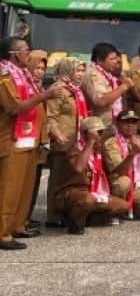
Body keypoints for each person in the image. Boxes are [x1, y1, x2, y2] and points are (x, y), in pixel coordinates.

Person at [0, 37, 62, 249]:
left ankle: (17, 225)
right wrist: (45, 95)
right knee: (9, 188)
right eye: (26, 51)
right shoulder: (5, 76)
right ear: (14, 55)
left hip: (29, 138)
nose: (30, 54)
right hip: (11, 140)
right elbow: (15, 108)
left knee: (24, 188)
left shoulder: (24, 75)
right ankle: (2, 233)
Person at [55, 117, 129, 235]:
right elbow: (79, 168)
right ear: (85, 134)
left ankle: (87, 219)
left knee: (123, 206)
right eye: (98, 133)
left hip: (95, 192)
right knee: (87, 200)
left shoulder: (98, 150)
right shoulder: (75, 150)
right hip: (73, 192)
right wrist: (90, 142)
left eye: (101, 132)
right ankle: (74, 222)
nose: (100, 136)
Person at [45, 57, 88, 227]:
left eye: (82, 70)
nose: (81, 74)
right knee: (56, 179)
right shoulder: (58, 89)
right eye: (77, 70)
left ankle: (66, 211)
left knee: (70, 178)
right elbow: (51, 116)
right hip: (62, 143)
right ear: (67, 70)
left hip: (75, 142)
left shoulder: (76, 91)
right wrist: (57, 134)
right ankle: (53, 216)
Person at [81, 42, 132, 130]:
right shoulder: (93, 75)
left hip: (109, 124)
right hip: (98, 127)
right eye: (112, 59)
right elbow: (101, 101)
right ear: (99, 60)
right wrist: (124, 86)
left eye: (116, 58)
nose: (116, 62)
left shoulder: (106, 74)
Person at [25, 49, 49, 229]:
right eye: (36, 67)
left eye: (43, 68)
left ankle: (26, 216)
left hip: (40, 140)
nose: (40, 71)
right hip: (25, 138)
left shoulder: (40, 87)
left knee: (34, 181)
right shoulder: (24, 86)